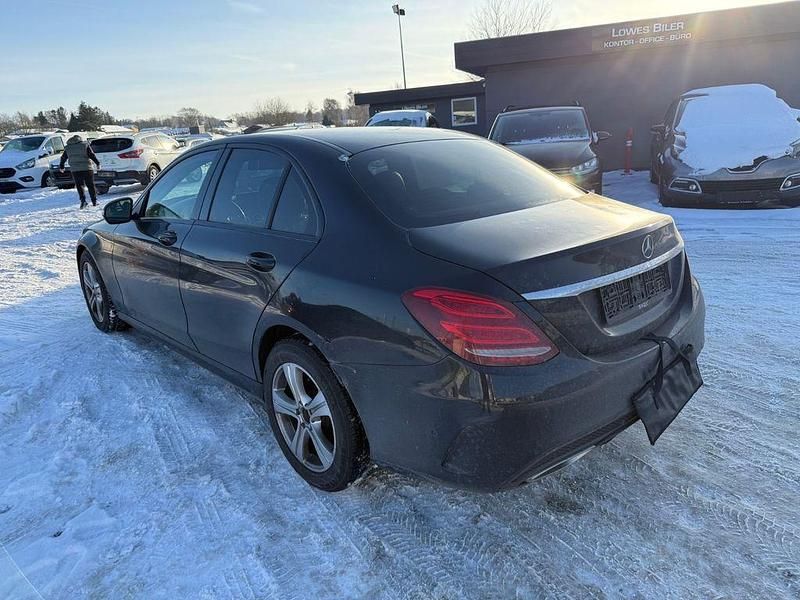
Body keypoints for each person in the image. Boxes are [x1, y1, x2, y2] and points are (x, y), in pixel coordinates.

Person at [59, 134, 101, 208]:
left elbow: (63, 158)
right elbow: (91, 155)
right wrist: (97, 163)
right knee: (90, 185)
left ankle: (83, 201)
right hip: (87, 168)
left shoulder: (68, 147)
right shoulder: (85, 145)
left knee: (79, 186)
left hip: (75, 170)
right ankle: (94, 201)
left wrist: (62, 166)